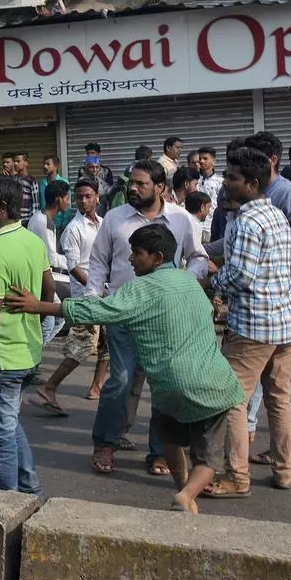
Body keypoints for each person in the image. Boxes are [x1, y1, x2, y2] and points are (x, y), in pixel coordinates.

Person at [6, 226, 246, 514]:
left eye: (137, 254)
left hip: (169, 386)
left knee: (170, 441)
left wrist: (40, 306)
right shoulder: (190, 282)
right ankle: (186, 495)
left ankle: (183, 492)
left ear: (156, 257)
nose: (131, 259)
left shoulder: (139, 289)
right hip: (215, 383)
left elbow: (97, 311)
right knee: (207, 460)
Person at [85, 160, 208, 476]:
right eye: (131, 183)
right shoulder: (114, 219)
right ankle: (106, 443)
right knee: (121, 381)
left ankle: (159, 451)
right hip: (123, 314)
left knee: (162, 384)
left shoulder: (181, 219)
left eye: (141, 183)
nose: (133, 188)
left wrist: (183, 284)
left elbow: (198, 259)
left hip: (165, 317)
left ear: (160, 188)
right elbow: (98, 263)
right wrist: (92, 302)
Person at [213, 132, 291, 441]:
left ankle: (251, 431)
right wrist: (201, 251)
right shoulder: (251, 200)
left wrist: (275, 258)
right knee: (284, 369)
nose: (231, 178)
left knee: (258, 364)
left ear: (267, 164)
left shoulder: (289, 196)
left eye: (237, 172)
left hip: (286, 284)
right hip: (269, 289)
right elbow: (232, 244)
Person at [206, 147, 291, 496]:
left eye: (232, 178)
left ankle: (236, 477)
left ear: (252, 183)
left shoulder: (246, 221)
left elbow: (241, 275)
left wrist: (212, 280)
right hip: (283, 322)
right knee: (279, 398)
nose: (227, 183)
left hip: (253, 327)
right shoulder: (275, 215)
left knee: (233, 400)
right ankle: (285, 470)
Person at [0, 177, 51, 494]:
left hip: (1, 358)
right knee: (8, 424)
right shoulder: (31, 240)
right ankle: (30, 488)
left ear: (0, 208)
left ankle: (7, 502)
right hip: (28, 352)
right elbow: (49, 290)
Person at [30, 178, 107, 414]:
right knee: (80, 347)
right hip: (86, 296)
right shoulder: (74, 229)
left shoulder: (103, 224)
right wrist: (100, 287)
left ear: (97, 197)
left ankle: (96, 387)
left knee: (109, 345)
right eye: (79, 197)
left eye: (88, 196)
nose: (83, 201)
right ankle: (49, 387)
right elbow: (73, 267)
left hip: (103, 292)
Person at [27, 180, 70, 347]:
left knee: (57, 319)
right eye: (67, 198)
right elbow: (50, 257)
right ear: (59, 199)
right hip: (39, 276)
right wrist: (73, 263)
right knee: (49, 323)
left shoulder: (42, 218)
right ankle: (32, 359)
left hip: (42, 274)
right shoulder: (43, 222)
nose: (68, 202)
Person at [11, 151, 38, 226]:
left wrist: (32, 221)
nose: (15, 164)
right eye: (14, 161)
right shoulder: (12, 180)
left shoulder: (32, 181)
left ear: (26, 163)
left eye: (18, 161)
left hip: (27, 221)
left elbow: (35, 204)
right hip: (15, 221)